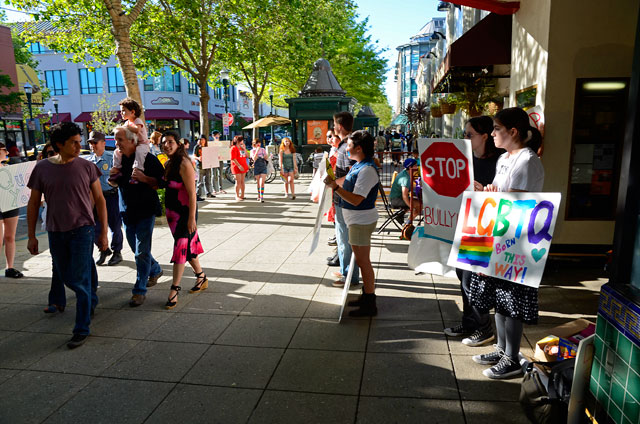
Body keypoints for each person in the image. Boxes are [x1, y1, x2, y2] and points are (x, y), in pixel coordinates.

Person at [469, 107, 544, 379]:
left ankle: (511, 357)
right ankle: (502, 349)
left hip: (517, 241)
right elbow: (501, 195)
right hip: (500, 236)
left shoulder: (527, 160)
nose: (492, 134)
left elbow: (519, 203)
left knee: (511, 300)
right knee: (499, 298)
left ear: (513, 132)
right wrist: (486, 191)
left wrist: (493, 193)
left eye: (497, 129)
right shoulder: (505, 158)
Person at [26, 122, 108, 349]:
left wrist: (103, 232)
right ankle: (89, 298)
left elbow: (100, 200)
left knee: (80, 278)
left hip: (83, 230)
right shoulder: (42, 168)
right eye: (74, 142)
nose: (79, 146)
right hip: (55, 231)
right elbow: (33, 203)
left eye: (80, 141)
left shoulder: (87, 167)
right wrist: (32, 235)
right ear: (59, 145)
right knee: (65, 275)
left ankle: (81, 328)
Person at [443, 116, 503, 347]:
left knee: (473, 279)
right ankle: (470, 323)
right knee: (463, 277)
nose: (465, 138)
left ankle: (482, 327)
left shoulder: (499, 161)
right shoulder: (464, 159)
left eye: (469, 135)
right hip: (465, 224)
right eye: (464, 134)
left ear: (484, 137)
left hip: (486, 228)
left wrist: (485, 193)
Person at [324, 130, 379, 316]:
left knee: (364, 262)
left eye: (348, 145)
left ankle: (370, 302)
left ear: (359, 148)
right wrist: (333, 182)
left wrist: (335, 187)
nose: (346, 149)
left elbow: (356, 199)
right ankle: (367, 296)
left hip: (360, 221)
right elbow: (347, 184)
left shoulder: (367, 170)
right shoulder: (360, 165)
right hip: (356, 221)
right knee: (362, 261)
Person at [111, 124, 165, 307]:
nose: (117, 143)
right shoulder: (118, 159)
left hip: (145, 210)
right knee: (136, 249)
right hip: (126, 211)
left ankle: (139, 290)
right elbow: (115, 183)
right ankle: (155, 269)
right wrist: (112, 177)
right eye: (116, 139)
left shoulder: (147, 158)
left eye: (120, 139)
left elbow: (161, 182)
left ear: (132, 140)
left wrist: (145, 179)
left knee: (141, 251)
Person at [160, 132, 207, 309]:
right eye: (164, 143)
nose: (167, 145)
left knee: (180, 248)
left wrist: (191, 218)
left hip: (185, 214)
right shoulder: (168, 163)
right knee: (187, 248)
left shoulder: (185, 163)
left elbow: (192, 194)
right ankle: (201, 276)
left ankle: (174, 289)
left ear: (179, 144)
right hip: (173, 215)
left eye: (170, 142)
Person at [87, 131, 124, 266]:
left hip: (111, 196)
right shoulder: (88, 162)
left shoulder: (112, 158)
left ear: (103, 143)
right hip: (95, 199)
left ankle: (117, 252)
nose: (92, 146)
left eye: (95, 143)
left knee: (115, 226)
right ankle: (103, 249)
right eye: (90, 143)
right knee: (95, 226)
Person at [331, 111, 359, 287]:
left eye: (334, 125)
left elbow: (351, 173)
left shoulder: (345, 147)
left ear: (340, 126)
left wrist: (332, 182)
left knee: (344, 237)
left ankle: (348, 274)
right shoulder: (348, 144)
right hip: (345, 198)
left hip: (343, 198)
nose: (333, 128)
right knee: (345, 237)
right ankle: (346, 270)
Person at [109, 98, 150, 186]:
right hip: (134, 144)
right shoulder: (127, 123)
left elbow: (136, 130)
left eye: (123, 111)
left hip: (142, 143)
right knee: (117, 151)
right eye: (121, 111)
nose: (121, 113)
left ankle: (137, 170)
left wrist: (126, 128)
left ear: (132, 112)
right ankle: (117, 168)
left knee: (139, 152)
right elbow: (122, 131)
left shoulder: (137, 121)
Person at [0, 142, 24, 278]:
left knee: (10, 237)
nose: (6, 153)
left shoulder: (10, 169)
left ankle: (10, 267)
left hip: (10, 204)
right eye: (3, 150)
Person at [388, 157, 421, 222]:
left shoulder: (406, 173)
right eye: (415, 166)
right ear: (410, 167)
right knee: (420, 205)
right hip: (396, 200)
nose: (417, 167)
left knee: (418, 203)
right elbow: (404, 195)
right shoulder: (405, 178)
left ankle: (402, 216)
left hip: (396, 198)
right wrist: (411, 207)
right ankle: (408, 223)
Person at [194, 135, 214, 201]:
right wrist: (198, 158)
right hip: (200, 166)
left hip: (207, 165)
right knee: (200, 181)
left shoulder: (207, 147)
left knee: (208, 180)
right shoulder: (197, 147)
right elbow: (194, 156)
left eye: (203, 139)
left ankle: (209, 193)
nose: (202, 141)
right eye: (201, 139)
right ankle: (198, 195)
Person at [230, 135, 248, 201]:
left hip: (243, 165)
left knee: (242, 181)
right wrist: (239, 166)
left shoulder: (241, 148)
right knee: (238, 181)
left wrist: (244, 148)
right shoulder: (233, 148)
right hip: (237, 166)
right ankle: (237, 195)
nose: (242, 141)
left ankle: (242, 195)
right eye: (241, 140)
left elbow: (247, 156)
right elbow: (233, 158)